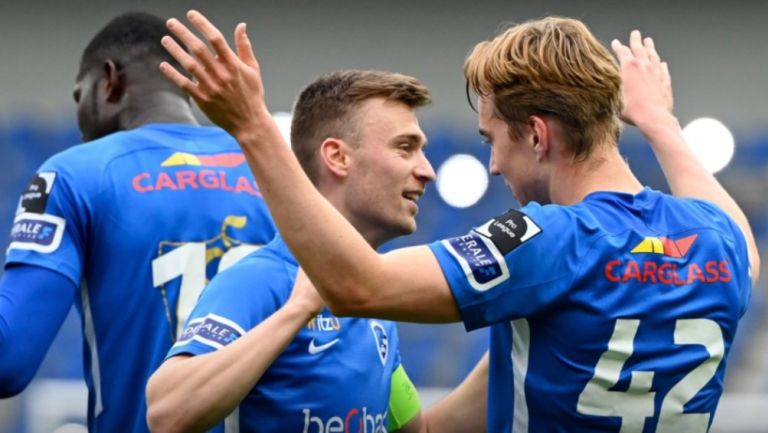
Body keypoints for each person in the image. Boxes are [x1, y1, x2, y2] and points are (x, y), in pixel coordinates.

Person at [161, 11, 759, 432]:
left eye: (493, 140)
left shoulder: (549, 240)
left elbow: (355, 286)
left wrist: (254, 128)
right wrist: (657, 120)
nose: (494, 165)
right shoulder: (718, 241)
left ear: (537, 135)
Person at [145, 69, 486, 433]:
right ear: (337, 157)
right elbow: (167, 413)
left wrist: (516, 341)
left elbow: (418, 431)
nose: (427, 171)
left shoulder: (375, 305)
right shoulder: (262, 280)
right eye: (405, 148)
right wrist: (296, 312)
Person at [0, 12, 276, 433]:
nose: (80, 127)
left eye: (81, 96)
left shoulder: (76, 174)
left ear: (109, 80)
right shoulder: (278, 170)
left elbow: (8, 360)